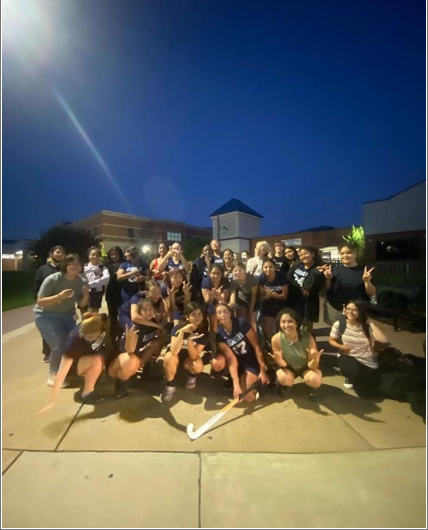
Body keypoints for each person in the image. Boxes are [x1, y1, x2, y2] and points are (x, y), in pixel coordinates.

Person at [38, 313, 112, 413]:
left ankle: (92, 375)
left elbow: (102, 316)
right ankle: (87, 393)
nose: (91, 339)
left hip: (89, 356)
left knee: (99, 358)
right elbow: (62, 372)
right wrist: (52, 402)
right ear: (82, 332)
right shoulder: (75, 339)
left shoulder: (101, 322)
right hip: (75, 365)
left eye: (94, 336)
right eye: (88, 337)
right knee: (97, 359)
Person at [34, 254, 89, 387]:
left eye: (78, 264)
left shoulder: (81, 281)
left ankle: (68, 370)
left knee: (72, 343)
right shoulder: (53, 279)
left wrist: (86, 294)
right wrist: (59, 296)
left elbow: (82, 304)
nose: (75, 266)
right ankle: (53, 376)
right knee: (58, 344)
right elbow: (40, 301)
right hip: (46, 315)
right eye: (72, 263)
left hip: (67, 316)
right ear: (65, 265)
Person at [211, 303, 269, 402]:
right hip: (238, 360)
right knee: (216, 363)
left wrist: (262, 369)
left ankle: (257, 385)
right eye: (219, 312)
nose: (223, 314)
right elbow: (230, 359)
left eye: (225, 311)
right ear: (216, 316)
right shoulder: (220, 333)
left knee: (248, 398)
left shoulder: (241, 323)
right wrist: (236, 385)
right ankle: (236, 378)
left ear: (230, 313)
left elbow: (256, 346)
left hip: (251, 361)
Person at [329, 300, 388, 396]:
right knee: (353, 370)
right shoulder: (340, 324)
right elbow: (331, 340)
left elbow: (384, 340)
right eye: (348, 308)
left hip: (367, 361)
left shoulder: (366, 326)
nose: (350, 312)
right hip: (348, 357)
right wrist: (341, 346)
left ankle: (358, 377)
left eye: (355, 310)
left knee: (367, 392)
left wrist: (370, 322)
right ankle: (350, 376)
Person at [108, 299, 165, 399]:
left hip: (135, 356)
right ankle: (120, 385)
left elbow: (161, 338)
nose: (148, 312)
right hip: (117, 362)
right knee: (132, 359)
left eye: (150, 308)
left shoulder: (153, 323)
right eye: (144, 310)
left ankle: (147, 372)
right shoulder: (135, 327)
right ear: (139, 312)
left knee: (157, 343)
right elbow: (129, 350)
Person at [161, 302, 209, 402]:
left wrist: (190, 341)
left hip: (188, 359)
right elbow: (174, 351)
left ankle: (191, 376)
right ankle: (170, 384)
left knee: (198, 365)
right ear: (187, 317)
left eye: (199, 314)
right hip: (175, 358)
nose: (197, 317)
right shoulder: (177, 328)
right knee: (169, 357)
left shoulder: (203, 332)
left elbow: (194, 356)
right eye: (193, 315)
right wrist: (182, 333)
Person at [271, 308, 324, 399]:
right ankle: (286, 386)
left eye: (290, 321)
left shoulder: (308, 337)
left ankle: (310, 387)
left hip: (306, 367)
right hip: (288, 367)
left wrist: (315, 359)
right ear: (279, 324)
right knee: (283, 378)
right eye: (283, 322)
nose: (286, 325)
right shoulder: (276, 339)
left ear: (296, 323)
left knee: (315, 380)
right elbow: (282, 364)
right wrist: (278, 360)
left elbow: (312, 366)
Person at [323, 243, 376, 326]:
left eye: (349, 252)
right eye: (342, 253)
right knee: (337, 333)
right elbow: (327, 288)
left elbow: (371, 293)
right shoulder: (335, 270)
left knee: (356, 334)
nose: (345, 255)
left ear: (355, 253)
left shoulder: (364, 271)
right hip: (336, 308)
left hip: (356, 310)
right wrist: (328, 279)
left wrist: (367, 281)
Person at [33, 246, 66, 363]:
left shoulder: (64, 269)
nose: (60, 254)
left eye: (62, 253)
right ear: (51, 254)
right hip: (46, 303)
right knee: (47, 329)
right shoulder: (43, 269)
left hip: (62, 304)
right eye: (57, 252)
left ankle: (61, 351)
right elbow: (37, 286)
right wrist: (38, 300)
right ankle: (47, 353)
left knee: (61, 328)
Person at [286, 246, 325, 331]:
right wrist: (300, 289)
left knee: (308, 326)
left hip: (309, 301)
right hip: (295, 298)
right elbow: (289, 278)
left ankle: (309, 342)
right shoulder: (297, 264)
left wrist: (315, 273)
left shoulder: (318, 268)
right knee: (295, 322)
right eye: (301, 255)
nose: (304, 256)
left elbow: (311, 285)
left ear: (313, 254)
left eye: (306, 254)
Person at [258, 258, 289, 345]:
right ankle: (274, 345)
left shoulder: (281, 277)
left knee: (280, 328)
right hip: (267, 305)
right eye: (266, 267)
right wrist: (267, 296)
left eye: (271, 267)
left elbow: (284, 296)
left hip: (280, 305)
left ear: (275, 268)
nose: (268, 269)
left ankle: (284, 345)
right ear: (262, 268)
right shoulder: (261, 278)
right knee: (267, 329)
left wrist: (274, 295)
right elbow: (261, 297)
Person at [202, 263, 230, 353]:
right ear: (209, 273)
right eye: (213, 273)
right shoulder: (206, 282)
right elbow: (207, 300)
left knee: (224, 326)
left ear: (222, 274)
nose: (216, 276)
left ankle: (222, 347)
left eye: (218, 273)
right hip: (211, 305)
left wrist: (218, 296)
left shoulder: (225, 282)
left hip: (221, 304)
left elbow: (223, 299)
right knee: (214, 327)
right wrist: (212, 295)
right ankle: (214, 350)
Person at [228, 262, 258, 327]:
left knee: (252, 319)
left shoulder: (252, 279)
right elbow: (233, 297)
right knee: (242, 320)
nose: (238, 272)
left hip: (254, 301)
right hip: (243, 300)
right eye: (235, 270)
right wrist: (229, 304)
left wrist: (250, 311)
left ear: (244, 270)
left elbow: (254, 296)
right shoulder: (233, 282)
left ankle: (254, 335)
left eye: (240, 270)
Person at [105, 246, 125, 341]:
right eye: (112, 254)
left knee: (122, 315)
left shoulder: (125, 264)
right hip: (111, 294)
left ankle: (122, 336)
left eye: (116, 254)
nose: (114, 256)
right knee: (112, 316)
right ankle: (112, 338)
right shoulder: (106, 265)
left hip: (123, 293)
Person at [82, 247, 110, 313]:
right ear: (89, 256)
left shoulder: (103, 268)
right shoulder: (83, 267)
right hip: (83, 291)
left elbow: (106, 279)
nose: (94, 257)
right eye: (92, 255)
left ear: (100, 257)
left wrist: (90, 285)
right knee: (83, 312)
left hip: (96, 293)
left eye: (97, 255)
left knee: (94, 314)